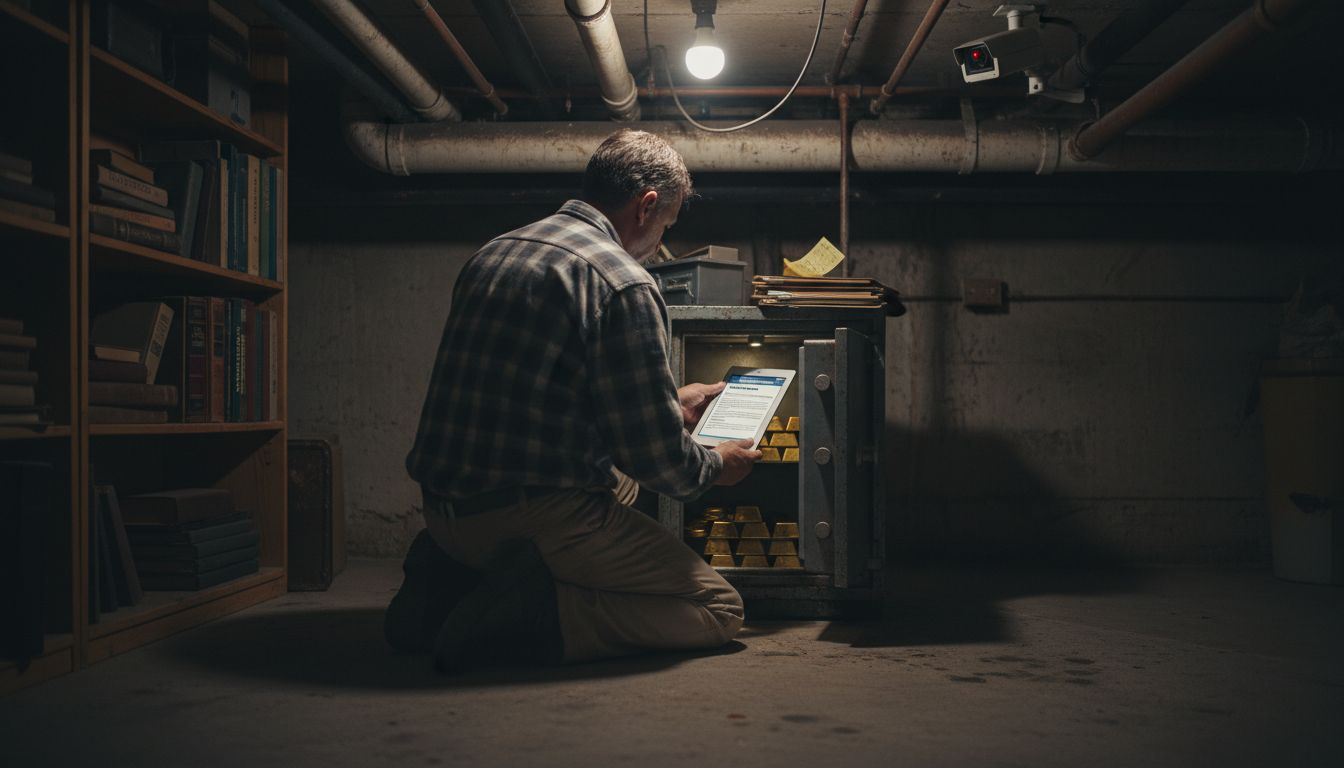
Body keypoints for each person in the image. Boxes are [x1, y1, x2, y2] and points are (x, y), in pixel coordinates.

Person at [388, 128, 762, 674]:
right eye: (664, 228)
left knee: (621, 484)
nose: (659, 246)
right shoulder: (623, 281)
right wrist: (715, 467)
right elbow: (661, 464)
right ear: (647, 206)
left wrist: (668, 404)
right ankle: (529, 616)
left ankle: (452, 580)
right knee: (718, 608)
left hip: (446, 511)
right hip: (528, 517)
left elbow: (534, 391)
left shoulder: (497, 251)